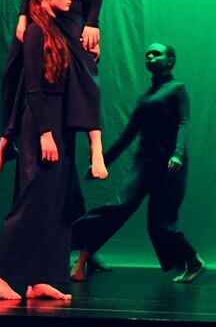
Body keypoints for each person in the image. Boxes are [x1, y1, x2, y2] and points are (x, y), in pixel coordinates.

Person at [0, 0, 110, 271]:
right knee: (17, 71)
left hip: (72, 8)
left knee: (82, 73)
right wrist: (22, 14)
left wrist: (92, 22)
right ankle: (7, 141)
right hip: (42, 7)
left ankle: (95, 150)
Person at [0, 0, 104, 300]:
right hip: (41, 124)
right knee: (32, 200)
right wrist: (45, 134)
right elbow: (32, 88)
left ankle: (39, 278)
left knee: (56, 203)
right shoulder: (35, 32)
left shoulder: (57, 30)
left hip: (61, 123)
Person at [70, 43, 205, 284]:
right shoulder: (145, 98)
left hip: (170, 167)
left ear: (170, 60)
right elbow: (128, 135)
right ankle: (79, 257)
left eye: (156, 53)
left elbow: (183, 123)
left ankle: (192, 260)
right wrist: (102, 161)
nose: (150, 56)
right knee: (116, 208)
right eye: (147, 54)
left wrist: (177, 154)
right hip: (144, 165)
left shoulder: (177, 89)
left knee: (159, 224)